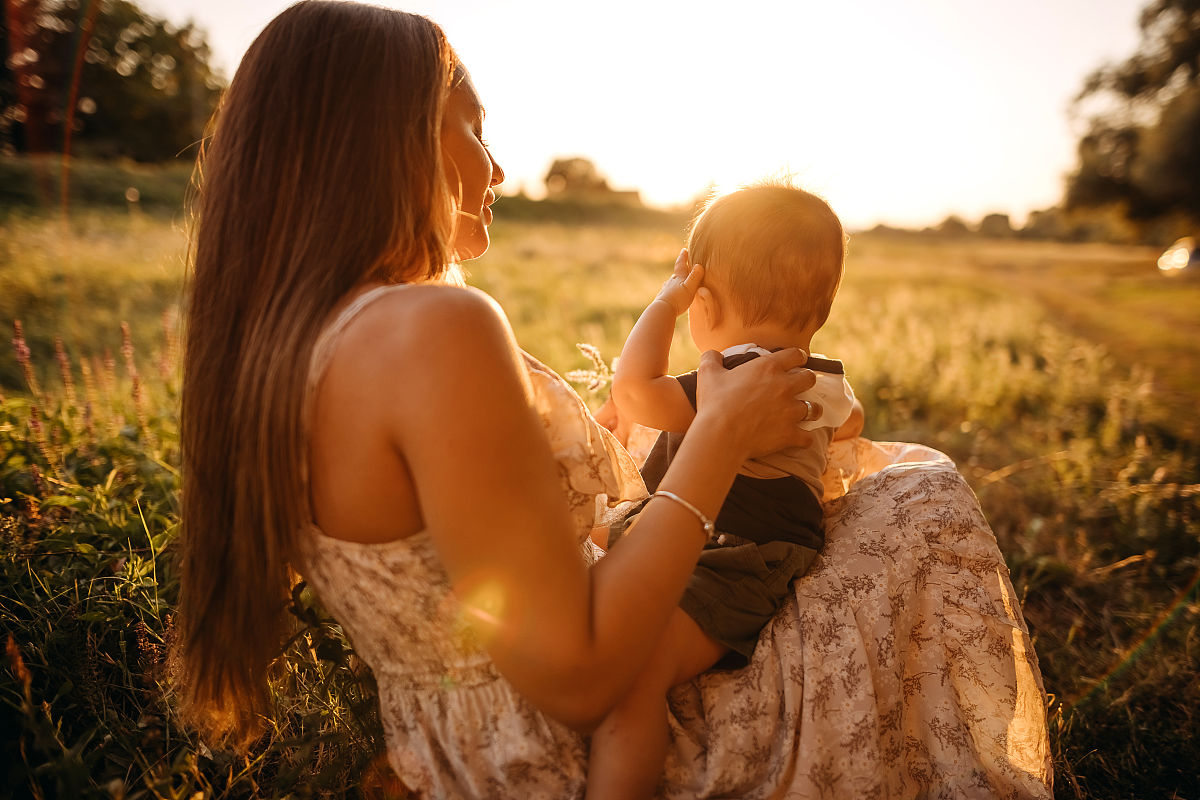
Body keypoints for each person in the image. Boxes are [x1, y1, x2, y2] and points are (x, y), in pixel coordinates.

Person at [175, 2, 1053, 797]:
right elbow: (584, 677)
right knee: (915, 494)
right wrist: (720, 433)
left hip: (453, 749)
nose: (500, 167)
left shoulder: (291, 344)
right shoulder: (437, 328)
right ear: (382, 139)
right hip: (565, 753)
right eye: (472, 127)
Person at [589, 185, 864, 798]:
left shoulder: (728, 377)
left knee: (635, 672)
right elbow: (852, 423)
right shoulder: (825, 381)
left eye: (689, 303)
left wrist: (661, 304)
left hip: (728, 557)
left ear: (702, 304)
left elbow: (634, 392)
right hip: (754, 546)